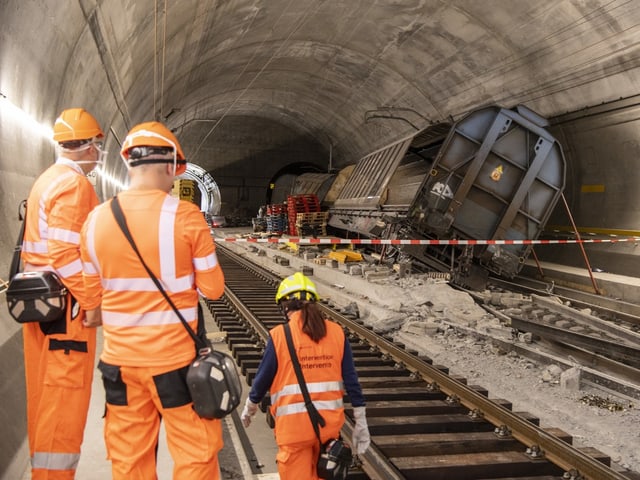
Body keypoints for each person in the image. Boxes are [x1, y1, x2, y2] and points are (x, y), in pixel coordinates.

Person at [79, 121, 226, 480]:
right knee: (195, 454)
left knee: (129, 460)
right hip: (176, 365)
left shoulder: (95, 221)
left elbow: (90, 301)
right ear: (170, 165)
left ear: (128, 163)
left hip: (121, 365)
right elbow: (214, 289)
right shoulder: (187, 217)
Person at [20, 107, 106, 479]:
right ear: (86, 147)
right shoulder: (75, 185)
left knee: (43, 402)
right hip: (66, 317)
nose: (99, 153)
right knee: (63, 408)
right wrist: (92, 301)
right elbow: (65, 254)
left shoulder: (46, 179)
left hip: (42, 308)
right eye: (97, 145)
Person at [241, 272, 371, 479]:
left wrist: (249, 408)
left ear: (285, 306)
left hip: (294, 433)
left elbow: (262, 380)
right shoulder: (337, 332)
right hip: (327, 433)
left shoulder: (279, 335)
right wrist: (361, 421)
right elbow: (351, 381)